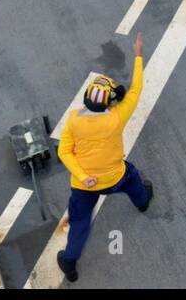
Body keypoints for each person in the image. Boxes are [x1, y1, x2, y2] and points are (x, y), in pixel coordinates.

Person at [56, 32, 154, 282]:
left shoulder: (73, 120)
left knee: (80, 223)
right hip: (115, 177)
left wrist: (83, 176)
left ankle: (69, 262)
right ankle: (143, 202)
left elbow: (63, 151)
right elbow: (136, 89)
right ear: (109, 102)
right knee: (133, 178)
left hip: (84, 185)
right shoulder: (116, 117)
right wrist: (138, 56)